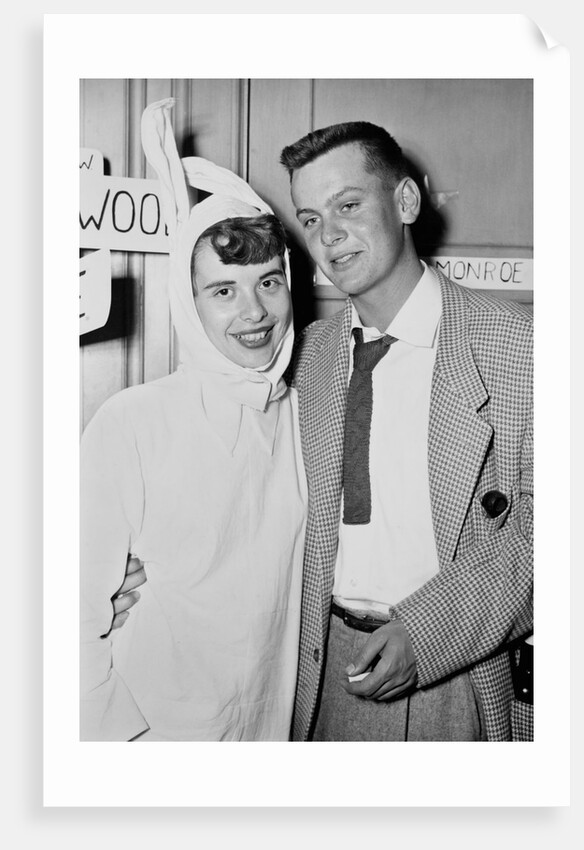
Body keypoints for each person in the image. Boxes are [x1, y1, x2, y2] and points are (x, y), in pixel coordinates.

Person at [279, 121, 533, 742]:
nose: (329, 234)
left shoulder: (520, 347)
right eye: (309, 218)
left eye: (348, 205)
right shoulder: (304, 358)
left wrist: (430, 631)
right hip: (320, 675)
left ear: (406, 202)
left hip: (458, 671)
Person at [80, 99, 306, 741]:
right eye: (223, 290)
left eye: (269, 282)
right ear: (189, 300)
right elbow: (66, 614)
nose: (254, 312)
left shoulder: (302, 418)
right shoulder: (132, 423)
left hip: (265, 734)